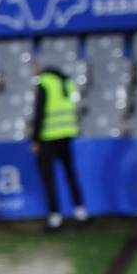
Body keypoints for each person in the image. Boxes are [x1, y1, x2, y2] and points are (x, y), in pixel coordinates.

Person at [31, 66, 89, 231]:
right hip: (67, 134)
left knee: (49, 178)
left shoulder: (44, 83)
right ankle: (80, 212)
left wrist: (35, 139)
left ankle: (55, 217)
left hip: (48, 137)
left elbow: (39, 113)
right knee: (70, 173)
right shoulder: (67, 82)